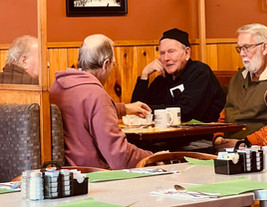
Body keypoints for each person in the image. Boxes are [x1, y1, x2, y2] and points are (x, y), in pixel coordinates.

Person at [50, 34, 152, 170]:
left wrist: (124, 109)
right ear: (106, 64)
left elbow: (83, 112)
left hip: (65, 175)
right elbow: (119, 156)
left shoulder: (57, 86)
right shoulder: (96, 95)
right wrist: (151, 157)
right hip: (94, 176)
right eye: (113, 64)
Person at [214, 23, 267, 151]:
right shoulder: (238, 78)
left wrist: (246, 144)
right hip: (230, 151)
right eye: (240, 49)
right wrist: (218, 137)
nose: (242, 54)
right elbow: (225, 116)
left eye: (247, 48)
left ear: (264, 47)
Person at [131, 28, 226, 122]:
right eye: (162, 53)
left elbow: (185, 112)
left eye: (171, 51)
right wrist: (144, 76)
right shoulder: (163, 79)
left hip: (201, 133)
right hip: (169, 133)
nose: (166, 58)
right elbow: (136, 109)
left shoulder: (200, 72)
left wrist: (146, 111)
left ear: (187, 53)